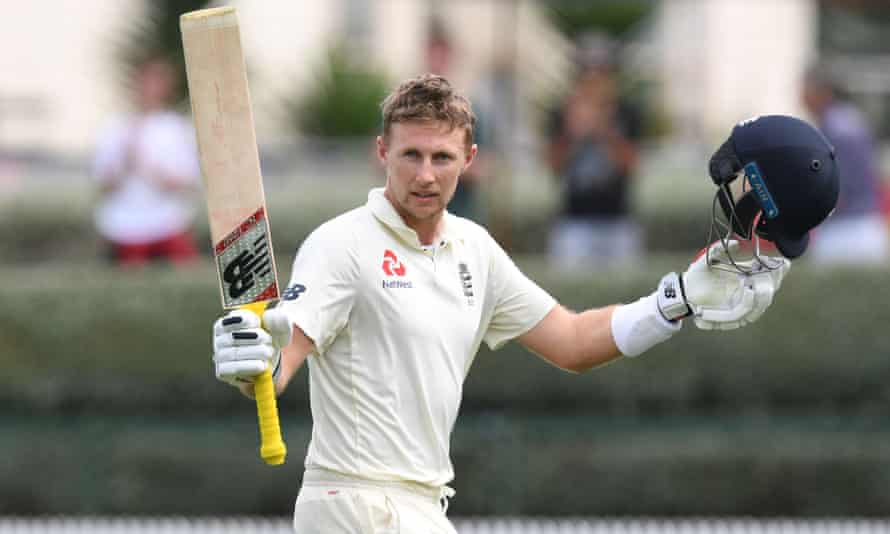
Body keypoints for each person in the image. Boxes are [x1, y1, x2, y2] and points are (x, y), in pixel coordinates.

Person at [210, 76, 822, 534]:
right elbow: (285, 357)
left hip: (419, 508)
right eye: (411, 155)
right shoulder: (342, 245)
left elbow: (574, 341)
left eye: (442, 157)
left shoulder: (474, 249)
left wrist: (678, 299)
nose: (426, 174)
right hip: (352, 503)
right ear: (382, 153)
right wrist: (254, 361)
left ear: (469, 161)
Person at [92, 54, 202, 267]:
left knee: (187, 268)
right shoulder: (115, 126)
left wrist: (152, 171)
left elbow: (187, 183)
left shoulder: (176, 128)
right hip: (126, 225)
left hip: (168, 221)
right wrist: (126, 161)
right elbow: (104, 185)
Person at [546, 34, 643, 270]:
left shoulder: (627, 111)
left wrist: (604, 130)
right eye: (587, 72)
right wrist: (574, 134)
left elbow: (632, 165)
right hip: (573, 221)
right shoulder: (563, 111)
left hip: (618, 222)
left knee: (626, 301)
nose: (594, 79)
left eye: (601, 72)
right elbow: (553, 166)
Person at [801, 64, 889, 265]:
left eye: (805, 90)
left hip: (844, 233)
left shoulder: (833, 128)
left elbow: (835, 189)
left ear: (823, 92)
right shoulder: (852, 119)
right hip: (868, 226)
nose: (801, 97)